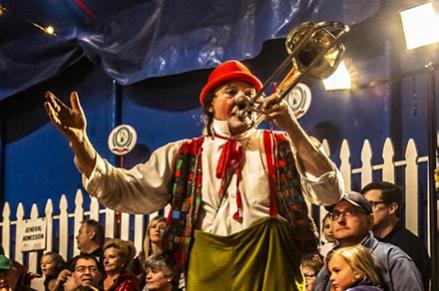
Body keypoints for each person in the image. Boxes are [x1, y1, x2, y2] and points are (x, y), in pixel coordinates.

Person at [45, 60, 344, 290]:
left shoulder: (282, 145)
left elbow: (330, 193)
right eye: (231, 92)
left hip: (271, 268)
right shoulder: (183, 153)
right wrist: (80, 141)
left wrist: (291, 127)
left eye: (250, 93)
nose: (244, 98)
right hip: (208, 269)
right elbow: (123, 190)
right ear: (210, 106)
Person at [314, 191, 423, 291]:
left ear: (370, 221)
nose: (341, 220)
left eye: (350, 212)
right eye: (336, 214)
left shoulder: (392, 259)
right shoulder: (329, 263)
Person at [361, 181, 431, 289]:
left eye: (371, 205)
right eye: (363, 206)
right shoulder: (364, 242)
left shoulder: (409, 245)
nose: (366, 211)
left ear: (392, 208)